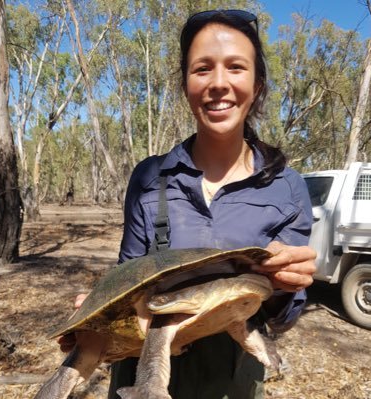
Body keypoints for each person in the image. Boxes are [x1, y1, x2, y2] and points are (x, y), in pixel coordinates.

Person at [60, 9, 316, 399]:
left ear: (257, 82)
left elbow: (282, 315)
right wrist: (101, 307)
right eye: (202, 69)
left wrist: (286, 284)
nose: (218, 83)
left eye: (235, 67)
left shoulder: (287, 187)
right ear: (184, 84)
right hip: (145, 367)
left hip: (232, 377)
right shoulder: (150, 178)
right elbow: (129, 272)